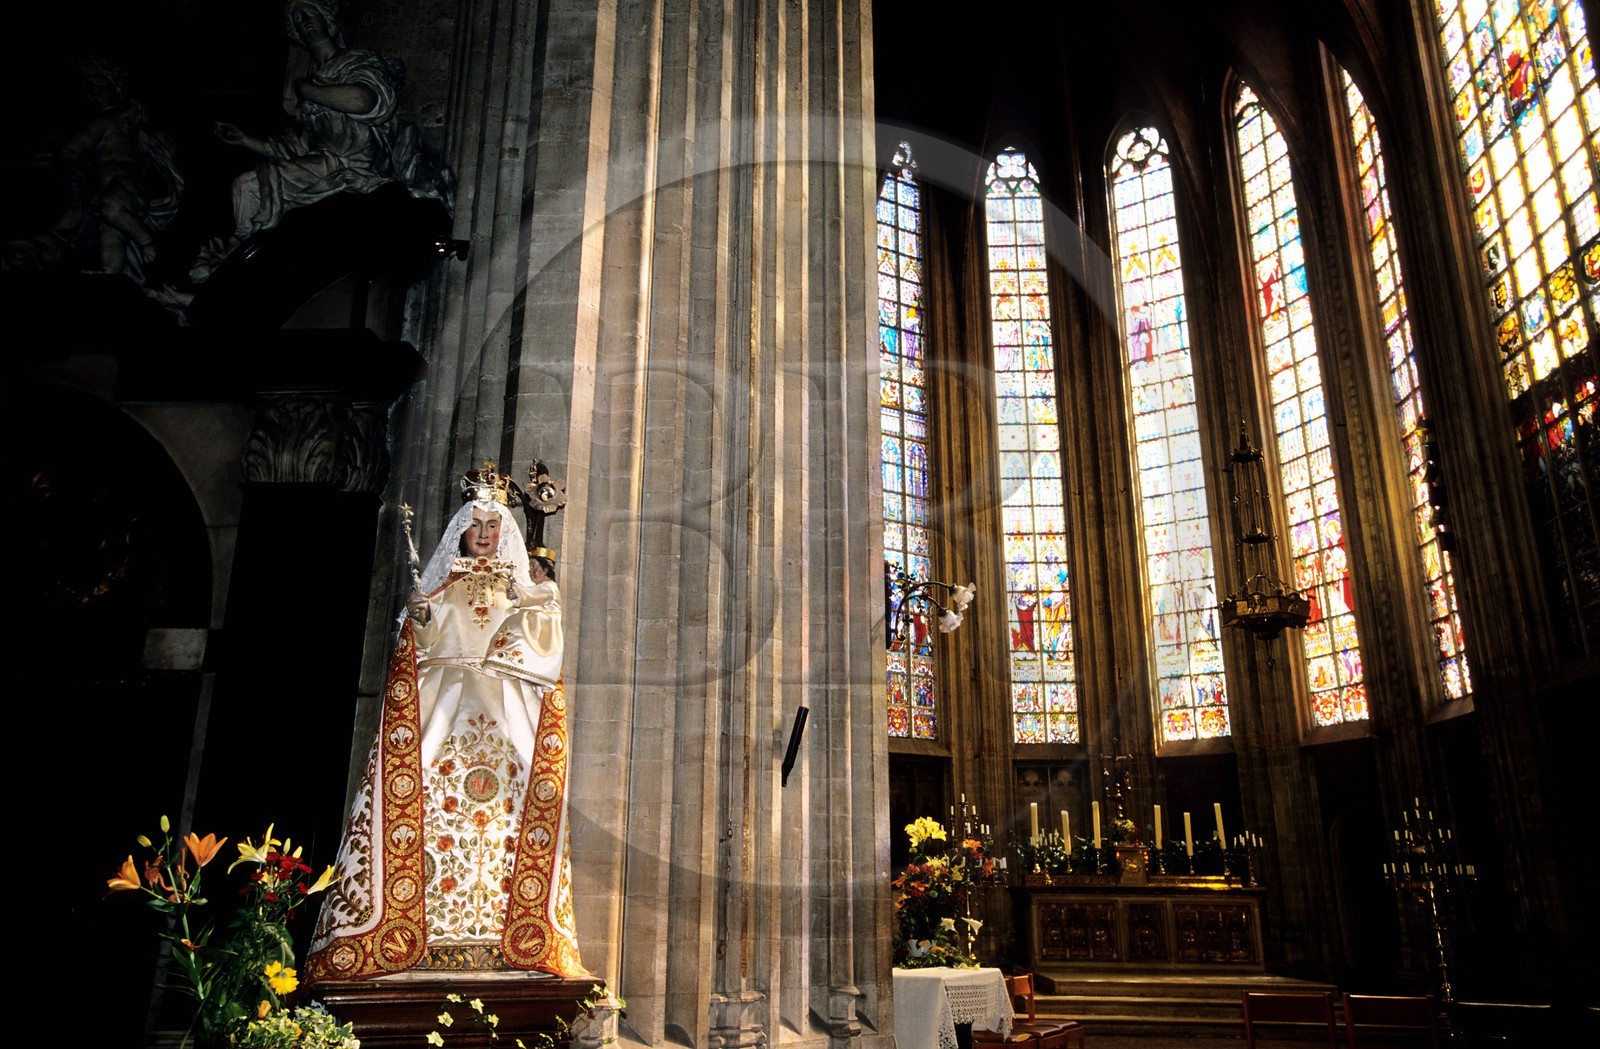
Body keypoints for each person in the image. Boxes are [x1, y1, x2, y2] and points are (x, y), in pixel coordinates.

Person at [307, 462, 585, 980]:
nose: (483, 534)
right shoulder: (443, 586)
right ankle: (426, 925)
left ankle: (496, 931)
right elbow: (425, 645)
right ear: (461, 530)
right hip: (443, 707)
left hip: (503, 712)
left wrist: (534, 601)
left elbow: (543, 651)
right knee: (427, 802)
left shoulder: (522, 590)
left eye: (493, 526)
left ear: (504, 533)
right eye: (475, 525)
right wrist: (419, 616)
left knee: (506, 816)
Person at [193, 0, 448, 279]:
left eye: (309, 13)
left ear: (327, 18)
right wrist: (245, 140)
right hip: (321, 162)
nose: (304, 21)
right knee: (245, 185)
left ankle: (239, 254)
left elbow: (367, 101)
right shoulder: (312, 82)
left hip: (355, 164)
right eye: (297, 19)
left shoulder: (355, 60)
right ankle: (241, 255)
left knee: (250, 185)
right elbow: (297, 147)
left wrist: (309, 91)